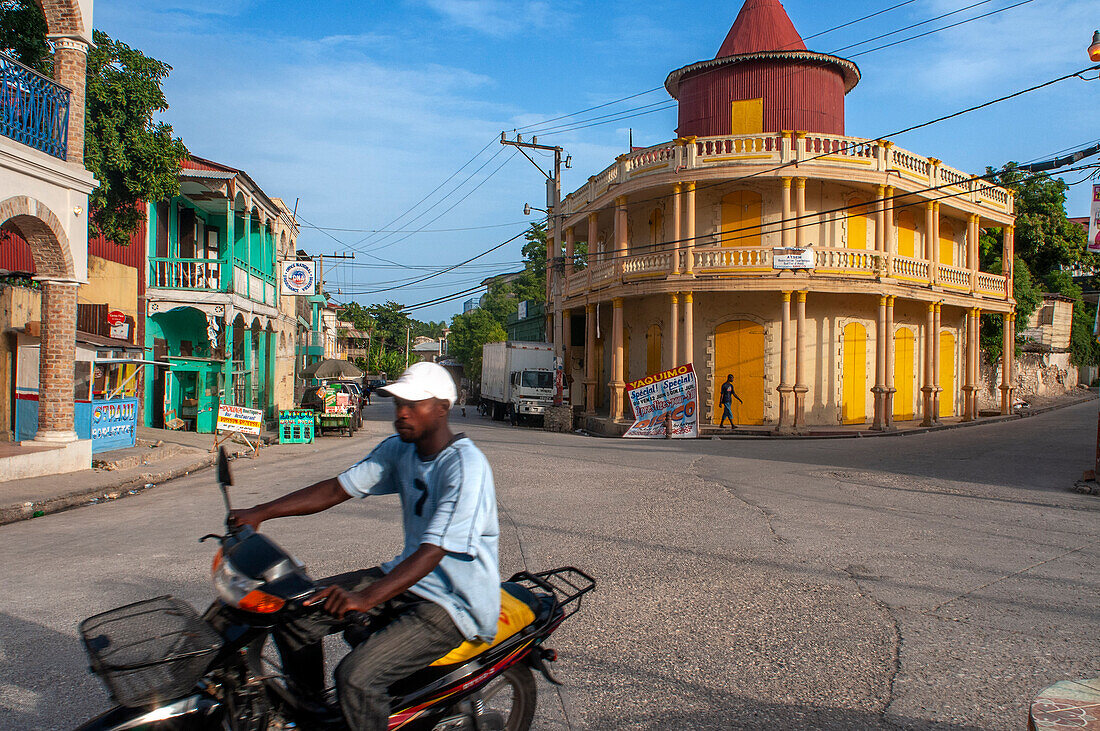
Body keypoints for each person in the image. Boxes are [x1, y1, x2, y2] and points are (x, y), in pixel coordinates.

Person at [228, 362, 500, 731]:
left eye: (413, 404)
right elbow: (336, 489)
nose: (401, 412)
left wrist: (366, 597)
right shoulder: (400, 449)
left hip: (454, 602)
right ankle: (315, 716)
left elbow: (433, 550)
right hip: (408, 578)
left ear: (442, 407)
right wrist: (261, 511)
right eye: (398, 403)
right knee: (293, 613)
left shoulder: (465, 466)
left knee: (356, 677)